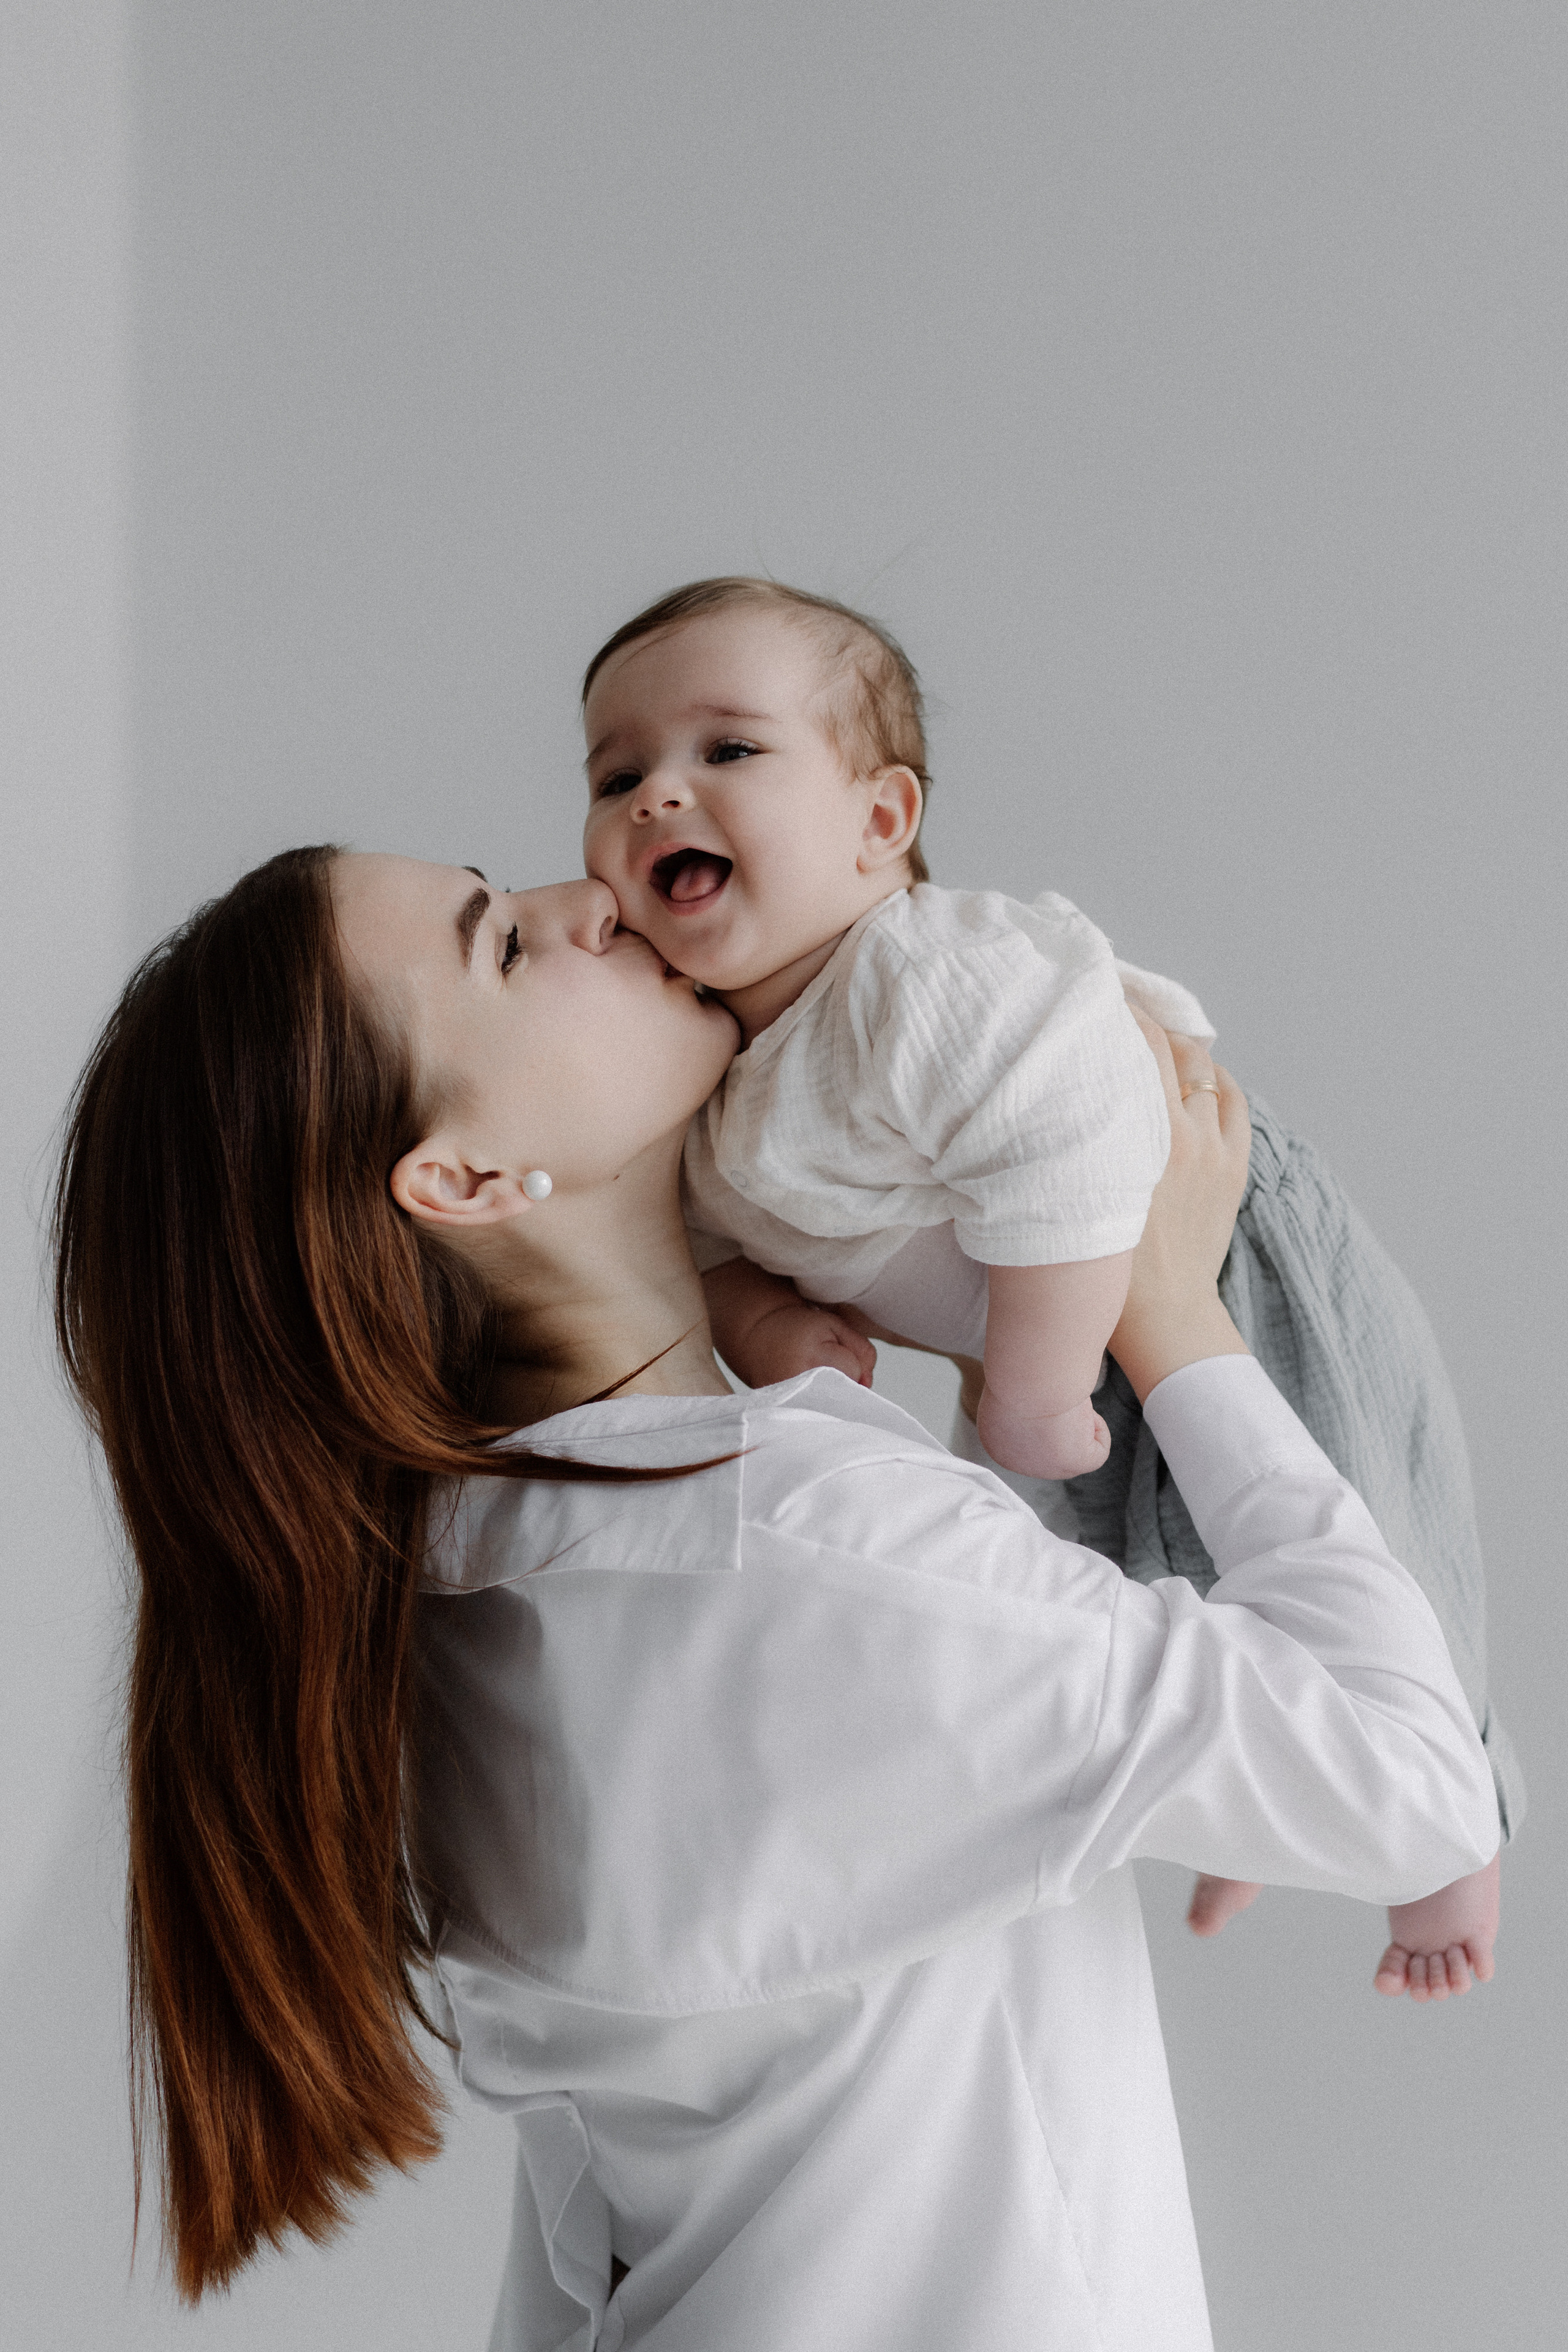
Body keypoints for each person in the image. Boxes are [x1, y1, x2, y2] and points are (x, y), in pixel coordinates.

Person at [55, 845, 1497, 2348]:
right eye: (502, 944)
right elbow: (1416, 1785)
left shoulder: (461, 1600)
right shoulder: (790, 1546)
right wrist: (1167, 1319)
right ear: (465, 1180)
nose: (587, 896)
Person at [578, 573, 1520, 1982]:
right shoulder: (706, 1074)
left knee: (1350, 1525)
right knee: (1094, 1595)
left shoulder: (921, 974)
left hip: (1218, 1251)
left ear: (881, 824)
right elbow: (701, 1249)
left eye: (727, 751)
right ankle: (1256, 1788)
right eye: (616, 773)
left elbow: (1069, 1128)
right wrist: (771, 1323)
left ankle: (1457, 1851)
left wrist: (1026, 1384)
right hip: (1050, 1346)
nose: (659, 795)